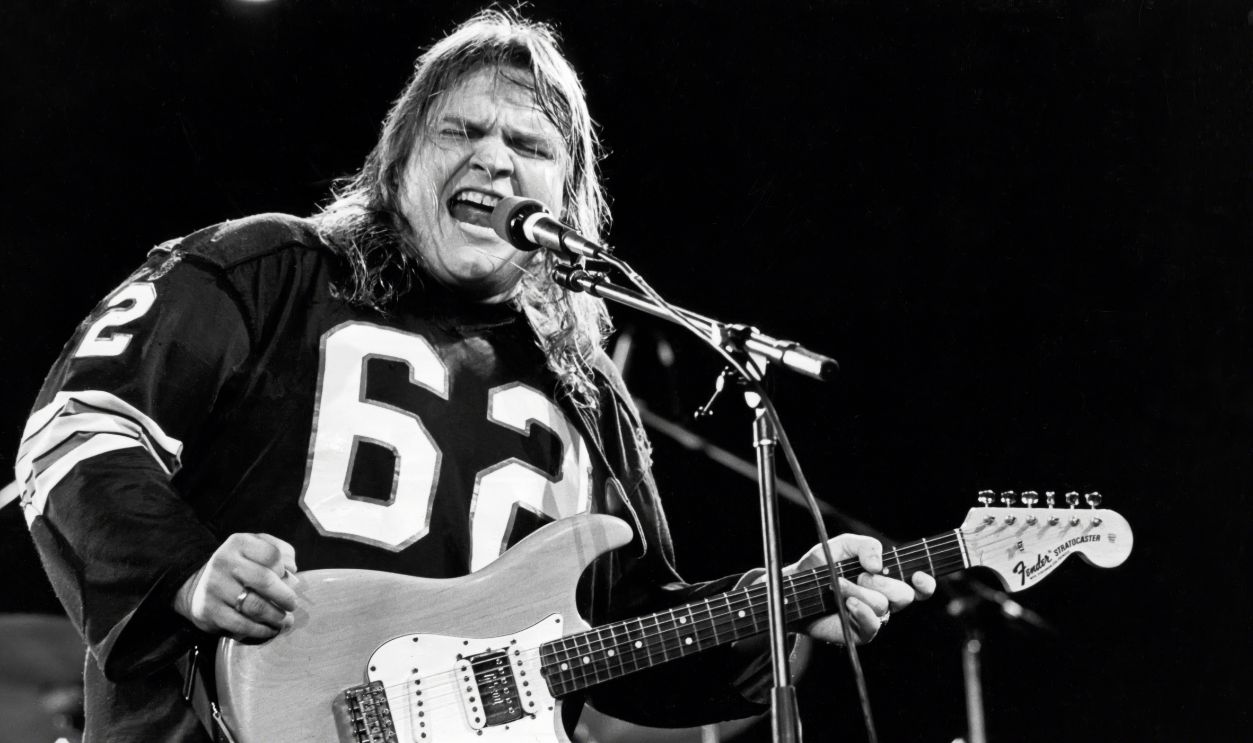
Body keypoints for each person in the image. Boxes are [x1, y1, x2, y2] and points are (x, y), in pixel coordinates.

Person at [15, 10, 934, 741]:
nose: (493, 157)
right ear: (399, 162)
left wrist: (780, 603)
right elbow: (75, 433)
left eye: (530, 147)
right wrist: (184, 569)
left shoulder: (586, 391)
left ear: (568, 203)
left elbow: (624, 634)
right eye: (460, 129)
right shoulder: (270, 269)